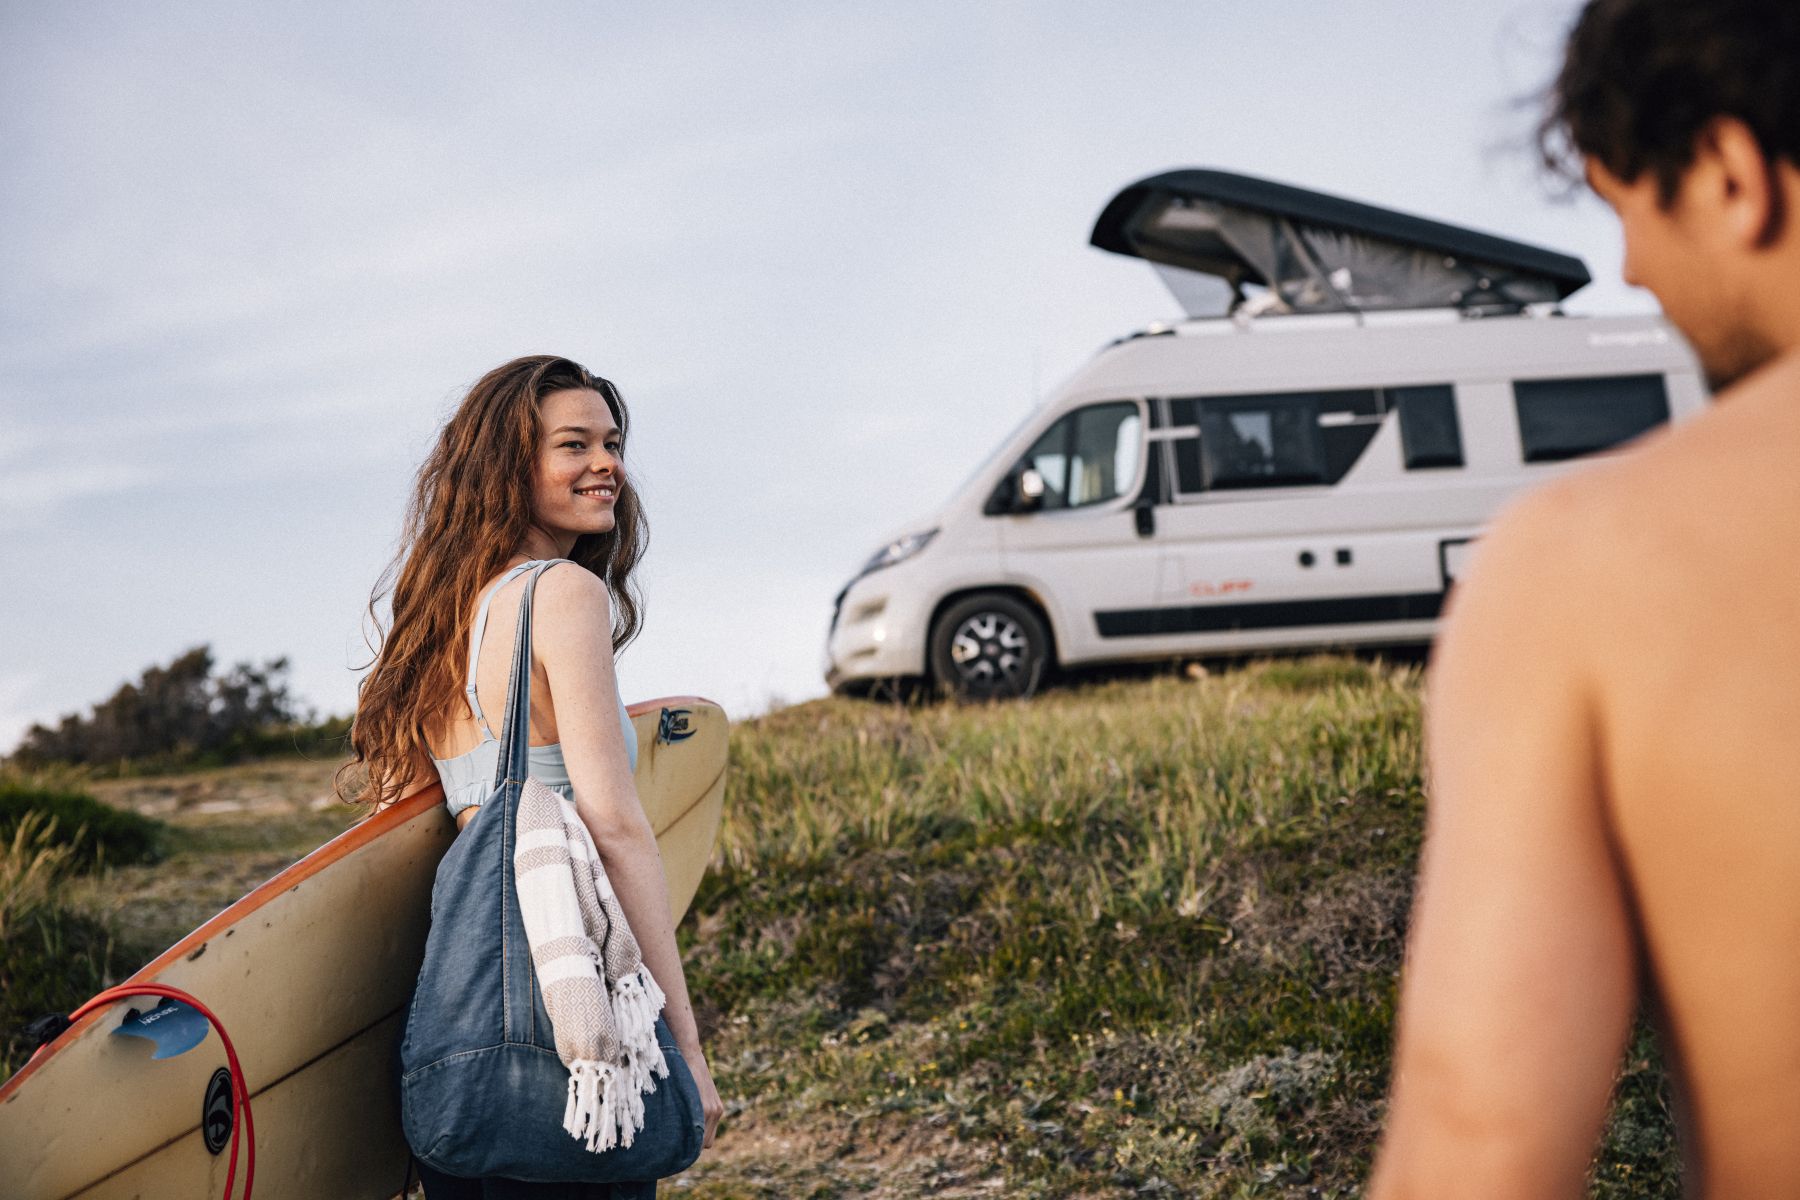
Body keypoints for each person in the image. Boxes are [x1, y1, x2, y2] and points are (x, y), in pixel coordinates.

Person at [1369, 1, 1800, 1195]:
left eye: (1626, 211)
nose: (1629, 272)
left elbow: (1480, 1139)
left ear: (1726, 175)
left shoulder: (1592, 568)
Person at [346, 355, 724, 1198]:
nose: (607, 465)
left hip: (456, 1039)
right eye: (573, 445)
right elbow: (616, 827)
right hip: (570, 1031)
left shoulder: (439, 627)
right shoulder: (561, 594)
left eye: (612, 442)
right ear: (508, 467)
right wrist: (686, 1048)